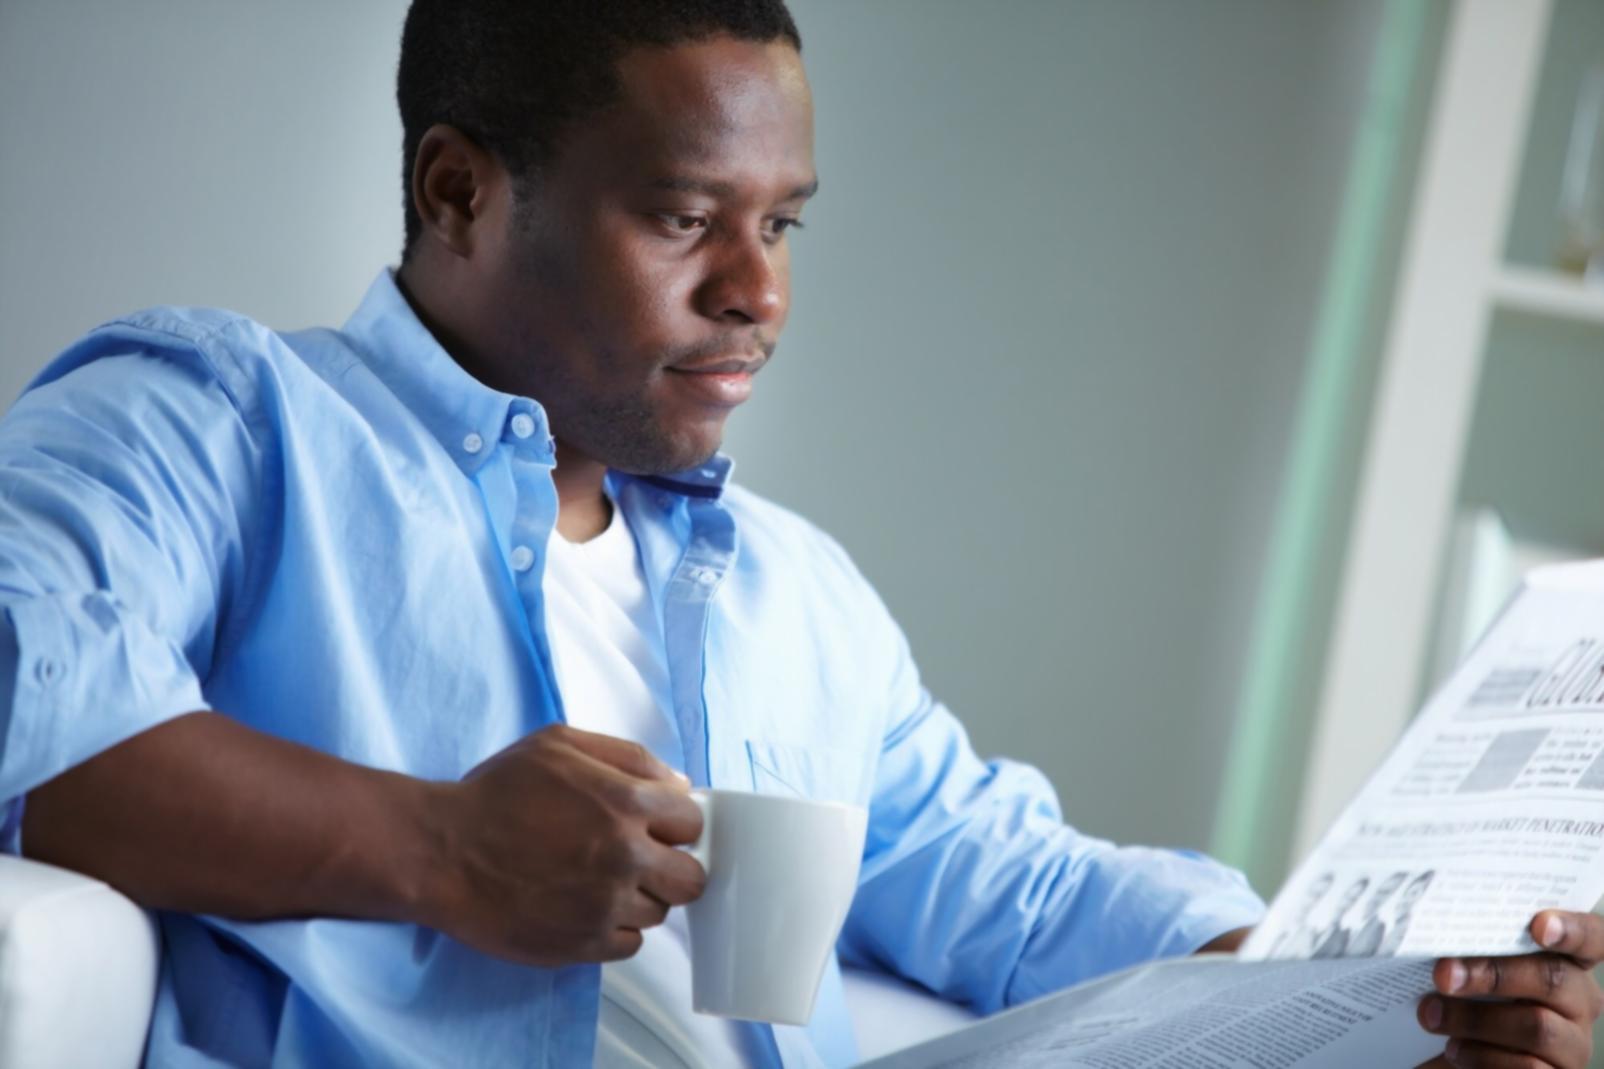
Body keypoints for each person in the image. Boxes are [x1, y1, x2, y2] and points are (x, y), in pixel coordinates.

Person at [0, 2, 1599, 1067]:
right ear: (458, 191)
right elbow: (29, 697)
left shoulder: (791, 595)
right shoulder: (224, 418)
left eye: (782, 225)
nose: (758, 291)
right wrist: (438, 847)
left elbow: (1008, 884)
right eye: (686, 219)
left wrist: (1378, 982)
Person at [1346, 870, 1409, 959]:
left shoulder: (1380, 928)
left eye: (1386, 892)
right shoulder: (1350, 922)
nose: (1377, 896)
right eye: (1379, 890)